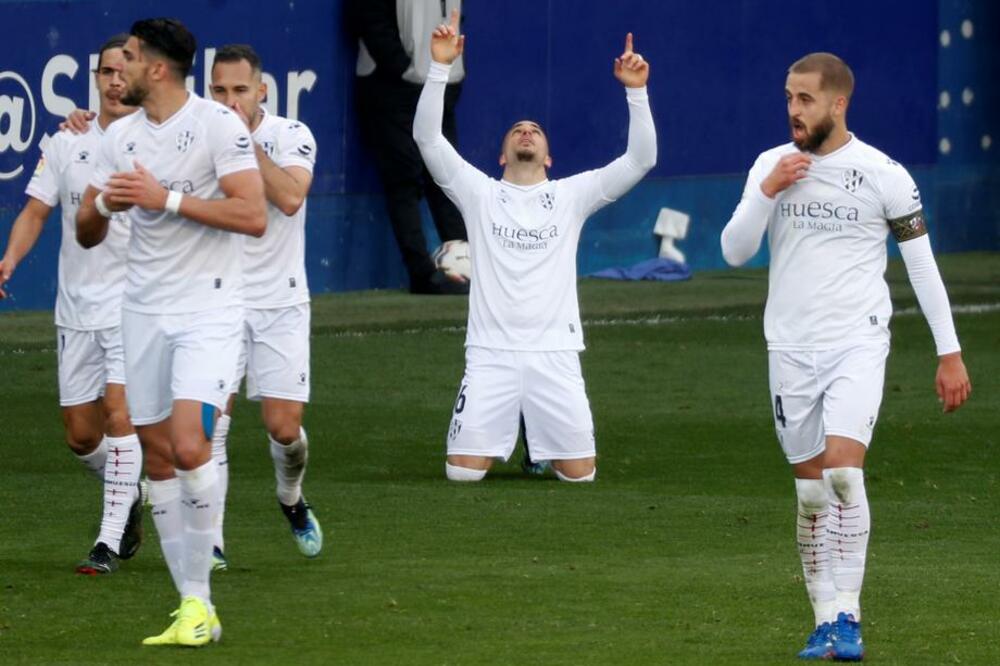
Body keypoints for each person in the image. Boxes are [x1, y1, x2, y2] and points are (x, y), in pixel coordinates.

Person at [720, 52, 972, 661]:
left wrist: (950, 352)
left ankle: (850, 616)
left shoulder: (885, 175)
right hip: (789, 347)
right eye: (787, 98)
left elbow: (921, 266)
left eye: (805, 99)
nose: (793, 111)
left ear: (838, 103)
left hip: (858, 342)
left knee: (841, 472)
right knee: (809, 495)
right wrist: (767, 190)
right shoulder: (769, 166)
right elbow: (733, 250)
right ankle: (823, 622)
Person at [76, 17, 267, 647]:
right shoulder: (119, 136)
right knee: (157, 456)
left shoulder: (217, 126)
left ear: (156, 69)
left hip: (210, 310)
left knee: (190, 447)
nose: (117, 70)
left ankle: (200, 596)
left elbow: (253, 214)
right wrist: (106, 204)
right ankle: (193, 606)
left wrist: (167, 200)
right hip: (142, 310)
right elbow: (85, 228)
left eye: (127, 59)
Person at [413, 13, 656, 482]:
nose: (526, 131)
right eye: (517, 129)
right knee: (462, 474)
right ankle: (522, 423)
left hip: (555, 352)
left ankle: (535, 432)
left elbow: (641, 158)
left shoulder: (571, 196)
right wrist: (439, 67)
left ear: (548, 156)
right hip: (490, 352)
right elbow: (427, 137)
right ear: (503, 154)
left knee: (579, 475)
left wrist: (636, 91)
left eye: (535, 131)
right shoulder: (478, 192)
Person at [0, 34, 144, 575]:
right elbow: (36, 211)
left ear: (140, 75)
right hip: (76, 308)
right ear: (97, 78)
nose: (113, 79)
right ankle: (127, 492)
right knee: (82, 437)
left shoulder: (156, 138)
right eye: (105, 71)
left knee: (119, 415)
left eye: (122, 70)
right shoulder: (67, 141)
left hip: (134, 306)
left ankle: (105, 543)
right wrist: (8, 260)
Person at [207, 43, 323, 567]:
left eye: (238, 90)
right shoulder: (196, 137)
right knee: (214, 424)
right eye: (218, 91)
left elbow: (290, 197)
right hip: (216, 303)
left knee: (283, 429)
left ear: (262, 91)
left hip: (281, 303)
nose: (228, 100)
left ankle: (291, 498)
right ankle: (211, 543)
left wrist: (242, 144)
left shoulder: (291, 135)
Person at [347, 0, 470, 295]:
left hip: (442, 79)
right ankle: (422, 275)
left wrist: (445, 69)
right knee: (404, 179)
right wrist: (403, 67)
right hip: (393, 85)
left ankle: (466, 267)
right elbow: (366, 16)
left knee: (445, 177)